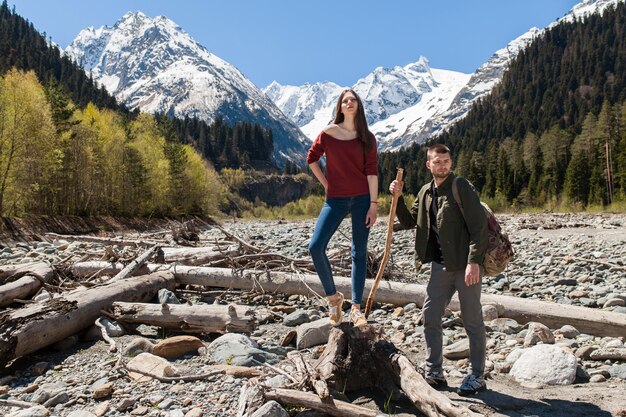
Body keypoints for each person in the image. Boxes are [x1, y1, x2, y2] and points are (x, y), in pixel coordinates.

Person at [389, 143, 488, 396]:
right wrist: (398, 198)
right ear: (428, 164)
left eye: (446, 161)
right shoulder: (424, 192)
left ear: (450, 163)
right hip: (439, 268)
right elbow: (410, 222)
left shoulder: (460, 187)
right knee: (431, 316)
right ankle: (434, 371)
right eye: (437, 161)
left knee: (473, 321)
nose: (442, 165)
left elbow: (479, 227)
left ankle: (477, 376)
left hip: (465, 267)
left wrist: (474, 261)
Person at [307, 89, 378, 327]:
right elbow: (311, 158)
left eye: (353, 100)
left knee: (359, 252)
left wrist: (374, 205)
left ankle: (356, 308)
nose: (349, 103)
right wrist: (326, 184)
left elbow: (372, 172)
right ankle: (333, 298)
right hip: (335, 199)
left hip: (362, 199)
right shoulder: (328, 133)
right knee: (316, 246)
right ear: (339, 107)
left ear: (358, 106)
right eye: (344, 100)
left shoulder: (367, 137)